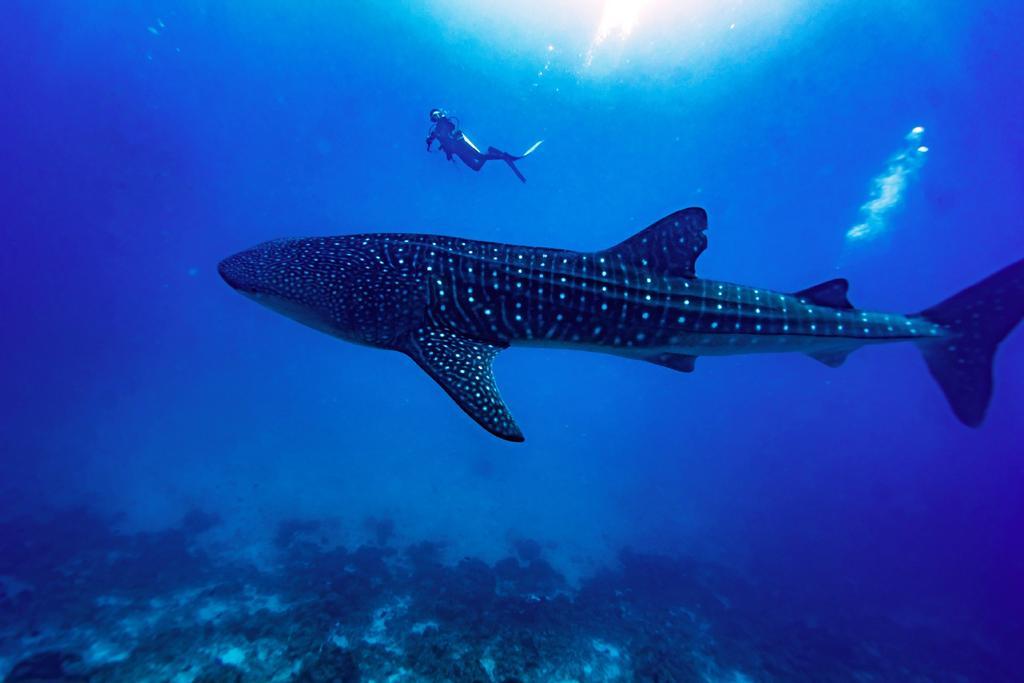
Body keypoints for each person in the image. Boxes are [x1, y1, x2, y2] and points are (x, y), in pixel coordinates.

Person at [425, 109, 542, 183]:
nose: (436, 117)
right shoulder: (436, 131)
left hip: (461, 145)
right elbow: (441, 142)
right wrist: (431, 141)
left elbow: (449, 127)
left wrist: (440, 124)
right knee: (476, 168)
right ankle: (490, 151)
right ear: (432, 120)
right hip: (457, 151)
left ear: (440, 114)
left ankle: (504, 156)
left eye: (437, 115)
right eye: (434, 117)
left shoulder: (444, 123)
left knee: (480, 157)